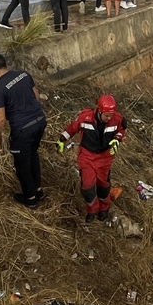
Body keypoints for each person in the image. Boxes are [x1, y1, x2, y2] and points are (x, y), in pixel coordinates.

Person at [0, 53, 47, 208]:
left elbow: (0, 118)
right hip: (39, 121)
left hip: (23, 129)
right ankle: (38, 190)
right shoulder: (23, 74)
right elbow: (36, 95)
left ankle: (31, 198)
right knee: (33, 155)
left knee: (22, 164)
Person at [58, 94, 126, 222]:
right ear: (99, 111)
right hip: (87, 156)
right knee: (87, 188)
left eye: (111, 115)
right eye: (107, 115)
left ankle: (104, 209)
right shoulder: (85, 118)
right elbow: (72, 128)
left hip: (105, 157)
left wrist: (117, 139)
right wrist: (62, 139)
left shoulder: (116, 119)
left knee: (103, 186)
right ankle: (92, 210)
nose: (109, 118)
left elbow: (121, 129)